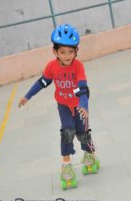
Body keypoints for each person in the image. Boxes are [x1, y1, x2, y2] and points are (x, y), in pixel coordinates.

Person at [18, 24, 100, 189]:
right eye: (63, 52)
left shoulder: (78, 66)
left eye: (71, 52)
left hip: (79, 105)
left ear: (76, 51)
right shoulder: (52, 67)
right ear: (55, 52)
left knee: (83, 133)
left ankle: (90, 155)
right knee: (67, 133)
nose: (67, 56)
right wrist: (27, 96)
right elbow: (42, 83)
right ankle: (67, 166)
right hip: (63, 105)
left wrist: (84, 104)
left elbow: (82, 87)